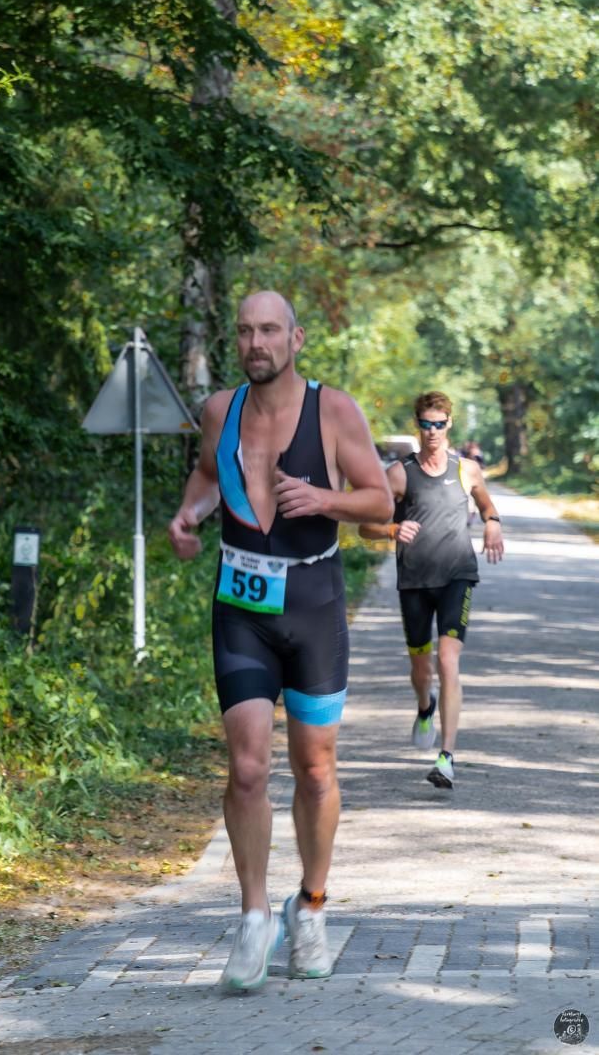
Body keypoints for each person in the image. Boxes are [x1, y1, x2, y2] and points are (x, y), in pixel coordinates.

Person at [168, 290, 393, 991]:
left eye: (269, 330)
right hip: (240, 604)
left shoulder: (334, 410)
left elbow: (381, 500)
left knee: (316, 769)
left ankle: (313, 908)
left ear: (295, 339)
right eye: (245, 332)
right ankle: (254, 915)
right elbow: (209, 474)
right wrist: (188, 515)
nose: (256, 342)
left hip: (314, 601)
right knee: (246, 769)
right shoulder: (219, 411)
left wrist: (326, 500)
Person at [359, 392, 504, 789]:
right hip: (414, 583)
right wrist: (390, 529)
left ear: (450, 424)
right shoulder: (399, 474)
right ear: (417, 425)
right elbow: (365, 526)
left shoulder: (467, 469)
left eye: (440, 424)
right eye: (426, 424)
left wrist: (492, 521)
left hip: (458, 576)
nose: (433, 431)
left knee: (448, 661)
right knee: (422, 670)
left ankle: (447, 757)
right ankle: (425, 706)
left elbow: (487, 504)